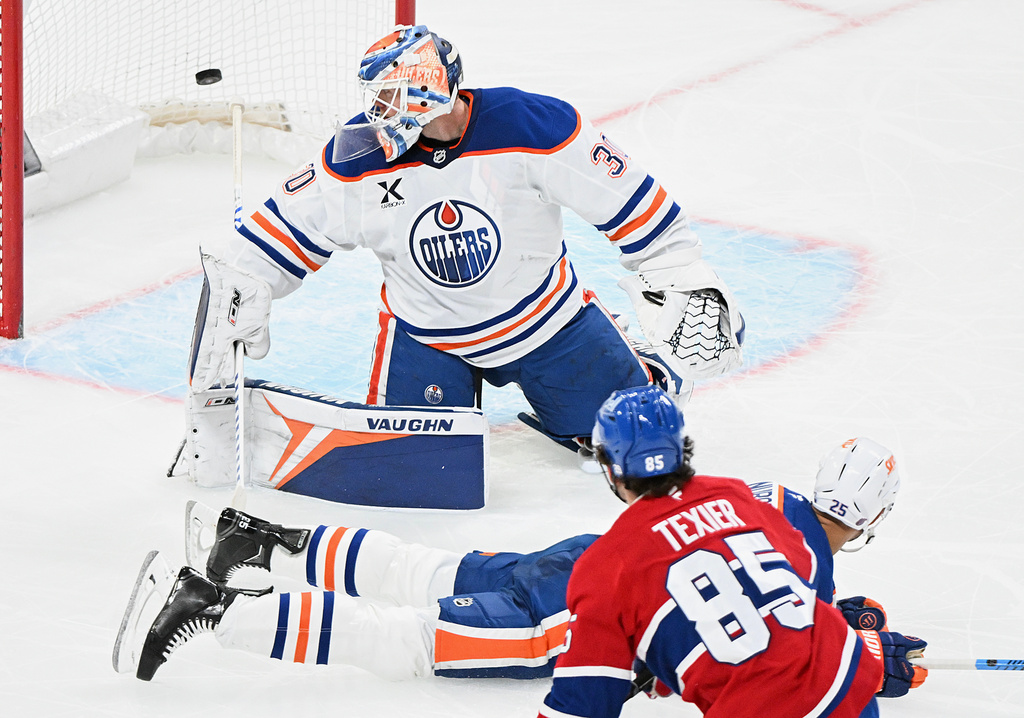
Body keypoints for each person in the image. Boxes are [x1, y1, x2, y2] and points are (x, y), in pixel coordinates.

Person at [114, 390, 926, 712]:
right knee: (413, 638)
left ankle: (264, 542)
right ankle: (215, 609)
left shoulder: (750, 499)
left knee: (435, 570)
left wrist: (840, 627)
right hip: (590, 611)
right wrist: (855, 640)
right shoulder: (789, 551)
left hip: (587, 558)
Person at [187, 24, 744, 462]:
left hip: (547, 324)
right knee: (416, 469)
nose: (376, 112)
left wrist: (678, 268)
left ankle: (642, 367)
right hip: (427, 337)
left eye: (389, 96)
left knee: (624, 442)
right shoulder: (356, 155)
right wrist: (245, 283)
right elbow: (276, 232)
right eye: (373, 98)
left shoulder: (534, 126)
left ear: (427, 89)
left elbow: (624, 196)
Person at [538, 386, 927, 718]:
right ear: (681, 448)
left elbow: (580, 705)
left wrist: (672, 648)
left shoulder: (604, 566)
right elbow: (802, 570)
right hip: (849, 686)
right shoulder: (735, 494)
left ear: (610, 468)